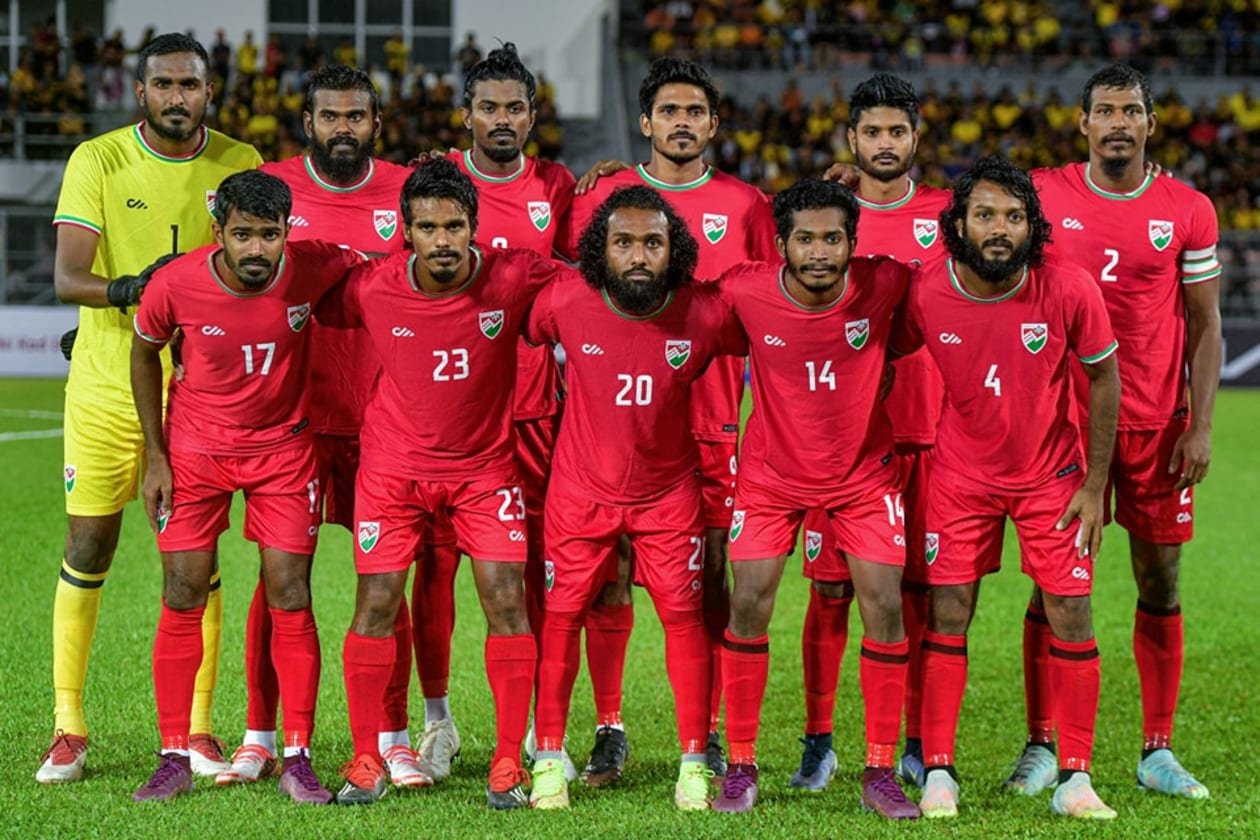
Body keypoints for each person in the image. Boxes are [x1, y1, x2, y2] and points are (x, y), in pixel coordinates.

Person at [39, 32, 260, 785]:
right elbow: (69, 277)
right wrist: (138, 291)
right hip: (106, 386)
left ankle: (198, 730)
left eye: (189, 85)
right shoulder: (96, 160)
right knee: (88, 544)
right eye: (162, 84)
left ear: (209, 92)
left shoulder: (240, 162)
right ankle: (69, 726)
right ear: (140, 92)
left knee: (196, 560)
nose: (176, 97)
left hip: (197, 394)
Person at [563, 57, 776, 783]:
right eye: (668, 111)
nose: (681, 123)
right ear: (645, 121)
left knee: (709, 583)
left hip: (710, 426)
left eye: (694, 112)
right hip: (616, 429)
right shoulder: (606, 198)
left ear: (713, 125)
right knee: (609, 576)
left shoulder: (747, 207)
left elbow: (771, 304)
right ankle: (609, 726)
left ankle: (706, 732)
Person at [324, 159, 558, 810]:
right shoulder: (372, 286)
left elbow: (591, 289)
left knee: (505, 598)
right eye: (428, 228)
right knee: (376, 602)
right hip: (393, 469)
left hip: (484, 470)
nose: (443, 240)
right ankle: (367, 758)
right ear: (406, 231)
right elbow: (296, 296)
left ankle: (508, 762)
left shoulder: (514, 275)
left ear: (474, 226)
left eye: (455, 226)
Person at [1015, 64, 1220, 801]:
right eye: (1105, 111)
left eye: (1131, 111)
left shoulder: (1188, 209)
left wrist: (1201, 425)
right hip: (1065, 429)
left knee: (1160, 579)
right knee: (1054, 584)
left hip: (1157, 426)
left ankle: (1156, 750)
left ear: (1150, 124)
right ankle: (1041, 745)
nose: (1118, 123)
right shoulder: (1044, 193)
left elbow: (1206, 325)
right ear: (1083, 123)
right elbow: (968, 212)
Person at [218, 65, 425, 789]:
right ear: (307, 122)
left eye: (356, 116)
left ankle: (394, 738)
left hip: (385, 424)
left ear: (376, 123)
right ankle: (260, 734)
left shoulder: (409, 191)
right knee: (279, 581)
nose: (344, 128)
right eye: (330, 117)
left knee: (387, 583)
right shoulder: (269, 188)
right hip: (294, 423)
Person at [898, 156, 1121, 820]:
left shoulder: (1068, 287)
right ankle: (939, 771)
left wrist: (1095, 484)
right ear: (959, 223)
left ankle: (1075, 777)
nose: (1000, 229)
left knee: (1071, 612)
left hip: (1051, 478)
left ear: (1033, 226)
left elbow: (1104, 378)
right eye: (986, 215)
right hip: (960, 477)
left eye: (1014, 217)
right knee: (948, 612)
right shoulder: (926, 290)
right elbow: (877, 349)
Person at [130, 170, 362, 802]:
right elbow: (143, 351)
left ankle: (298, 756)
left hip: (284, 451)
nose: (257, 249)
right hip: (195, 451)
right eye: (242, 235)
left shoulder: (313, 266)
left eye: (269, 235)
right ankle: (174, 754)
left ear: (288, 231)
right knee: (183, 590)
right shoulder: (175, 284)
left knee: (291, 591)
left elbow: (379, 264)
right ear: (218, 231)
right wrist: (155, 455)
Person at [526, 185, 746, 811]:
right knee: (561, 616)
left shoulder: (703, 313)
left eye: (653, 242)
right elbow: (520, 326)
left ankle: (694, 763)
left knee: (684, 619)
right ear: (602, 249)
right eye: (623, 242)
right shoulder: (567, 300)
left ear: (675, 251)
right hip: (580, 490)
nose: (639, 256)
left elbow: (772, 328)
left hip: (668, 494)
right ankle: (548, 760)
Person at [710, 179, 918, 819]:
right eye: (805, 239)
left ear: (854, 243)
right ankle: (740, 765)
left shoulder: (886, 283)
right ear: (781, 245)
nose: (820, 252)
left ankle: (880, 770)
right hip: (772, 475)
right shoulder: (744, 290)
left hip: (862, 475)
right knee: (748, 601)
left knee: (884, 605)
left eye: (833, 239)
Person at [402, 42, 576, 784]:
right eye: (488, 107)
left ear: (533, 116)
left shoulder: (558, 186)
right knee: (434, 570)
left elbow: (581, 274)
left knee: (532, 573)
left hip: (531, 411)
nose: (501, 119)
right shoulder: (429, 182)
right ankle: (437, 721)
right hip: (443, 417)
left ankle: (538, 726)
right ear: (465, 114)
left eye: (515, 108)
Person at [795, 72, 952, 792]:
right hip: (840, 443)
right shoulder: (823, 215)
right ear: (850, 138)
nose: (884, 143)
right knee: (830, 594)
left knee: (918, 595)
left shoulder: (950, 214)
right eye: (872, 131)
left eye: (897, 131)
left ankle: (916, 741)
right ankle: (818, 740)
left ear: (916, 137)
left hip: (932, 434)